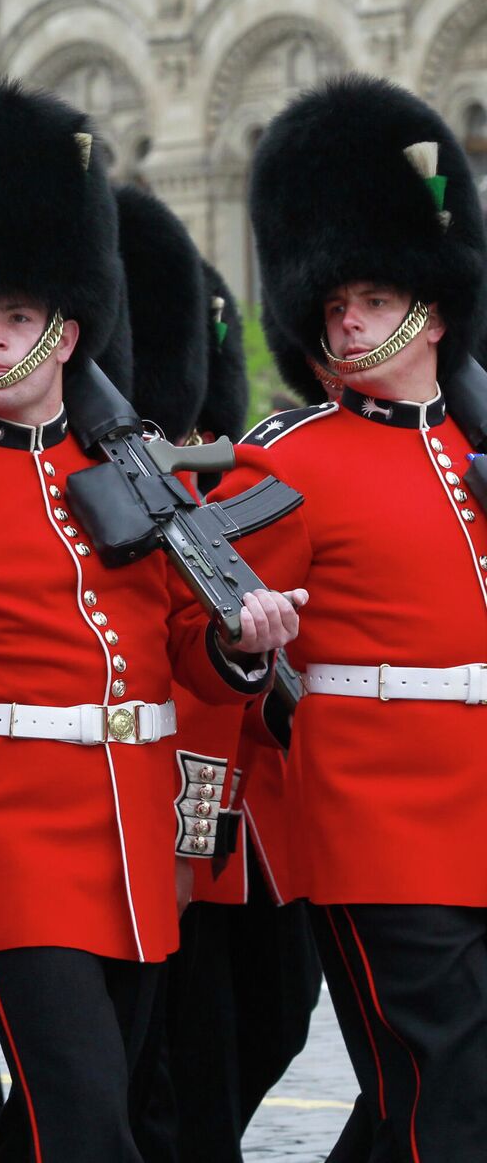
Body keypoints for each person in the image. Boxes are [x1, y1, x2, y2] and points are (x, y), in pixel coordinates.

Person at [0, 75, 305, 1161]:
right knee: (82, 1119)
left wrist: (236, 642)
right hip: (4, 833)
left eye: (15, 318)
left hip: (128, 826)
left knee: (83, 1115)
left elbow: (183, 647)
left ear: (67, 328)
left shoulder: (129, 472)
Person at [210, 73, 487, 1160]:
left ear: (426, 296)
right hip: (375, 813)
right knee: (443, 1082)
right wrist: (242, 637)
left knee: (417, 1099)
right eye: (333, 305)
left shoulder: (472, 447)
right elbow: (204, 633)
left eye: (369, 297)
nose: (348, 319)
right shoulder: (286, 461)